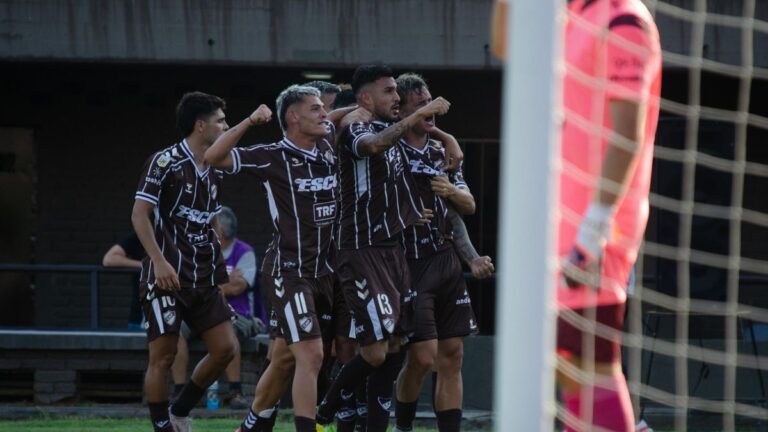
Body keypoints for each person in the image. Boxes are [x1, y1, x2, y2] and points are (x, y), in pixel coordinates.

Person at [493, 1, 662, 430]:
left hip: (594, 229)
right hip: (555, 219)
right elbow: (506, 46)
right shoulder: (570, 17)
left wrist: (594, 230)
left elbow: (629, 132)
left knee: (588, 363)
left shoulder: (625, 19)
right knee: (566, 364)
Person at [315, 64, 454, 432]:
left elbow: (428, 163)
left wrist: (410, 213)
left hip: (392, 250)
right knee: (374, 350)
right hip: (360, 250)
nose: (396, 98)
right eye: (389, 92)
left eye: (397, 91)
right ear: (366, 97)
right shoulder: (357, 127)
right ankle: (329, 402)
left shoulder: (382, 127)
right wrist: (421, 113)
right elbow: (373, 146)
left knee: (395, 346)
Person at [132, 91, 269, 432]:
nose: (225, 125)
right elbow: (139, 215)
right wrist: (159, 262)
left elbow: (207, 225)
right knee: (162, 357)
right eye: (221, 120)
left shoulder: (214, 169)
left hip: (204, 280)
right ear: (200, 125)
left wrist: (219, 277)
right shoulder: (164, 162)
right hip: (166, 278)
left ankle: (180, 410)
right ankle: (162, 425)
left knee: (225, 349)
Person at [205, 85, 339, 432]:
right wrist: (250, 121)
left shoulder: (326, 144)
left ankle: (252, 426)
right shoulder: (271, 155)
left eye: (324, 110)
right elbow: (214, 158)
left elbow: (350, 114)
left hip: (323, 271)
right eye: (315, 109)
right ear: (292, 117)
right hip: (289, 270)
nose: (324, 114)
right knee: (312, 354)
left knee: (282, 359)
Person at [391, 73, 480, 432]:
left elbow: (467, 205)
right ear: (403, 109)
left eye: (431, 101)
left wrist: (471, 258)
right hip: (407, 263)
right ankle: (404, 426)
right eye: (422, 103)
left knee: (452, 355)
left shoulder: (441, 151)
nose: (432, 109)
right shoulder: (390, 148)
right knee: (421, 357)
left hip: (445, 262)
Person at [170, 206, 266, 410]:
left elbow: (239, 286)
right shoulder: (202, 249)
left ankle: (235, 391)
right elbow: (193, 283)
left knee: (228, 329)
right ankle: (179, 390)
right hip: (201, 310)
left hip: (239, 314)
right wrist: (223, 283)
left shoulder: (245, 252)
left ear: (219, 232)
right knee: (176, 330)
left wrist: (211, 285)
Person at [102, 232, 146, 330]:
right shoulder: (138, 237)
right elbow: (109, 259)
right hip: (140, 315)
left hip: (172, 312)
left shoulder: (175, 234)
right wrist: (146, 265)